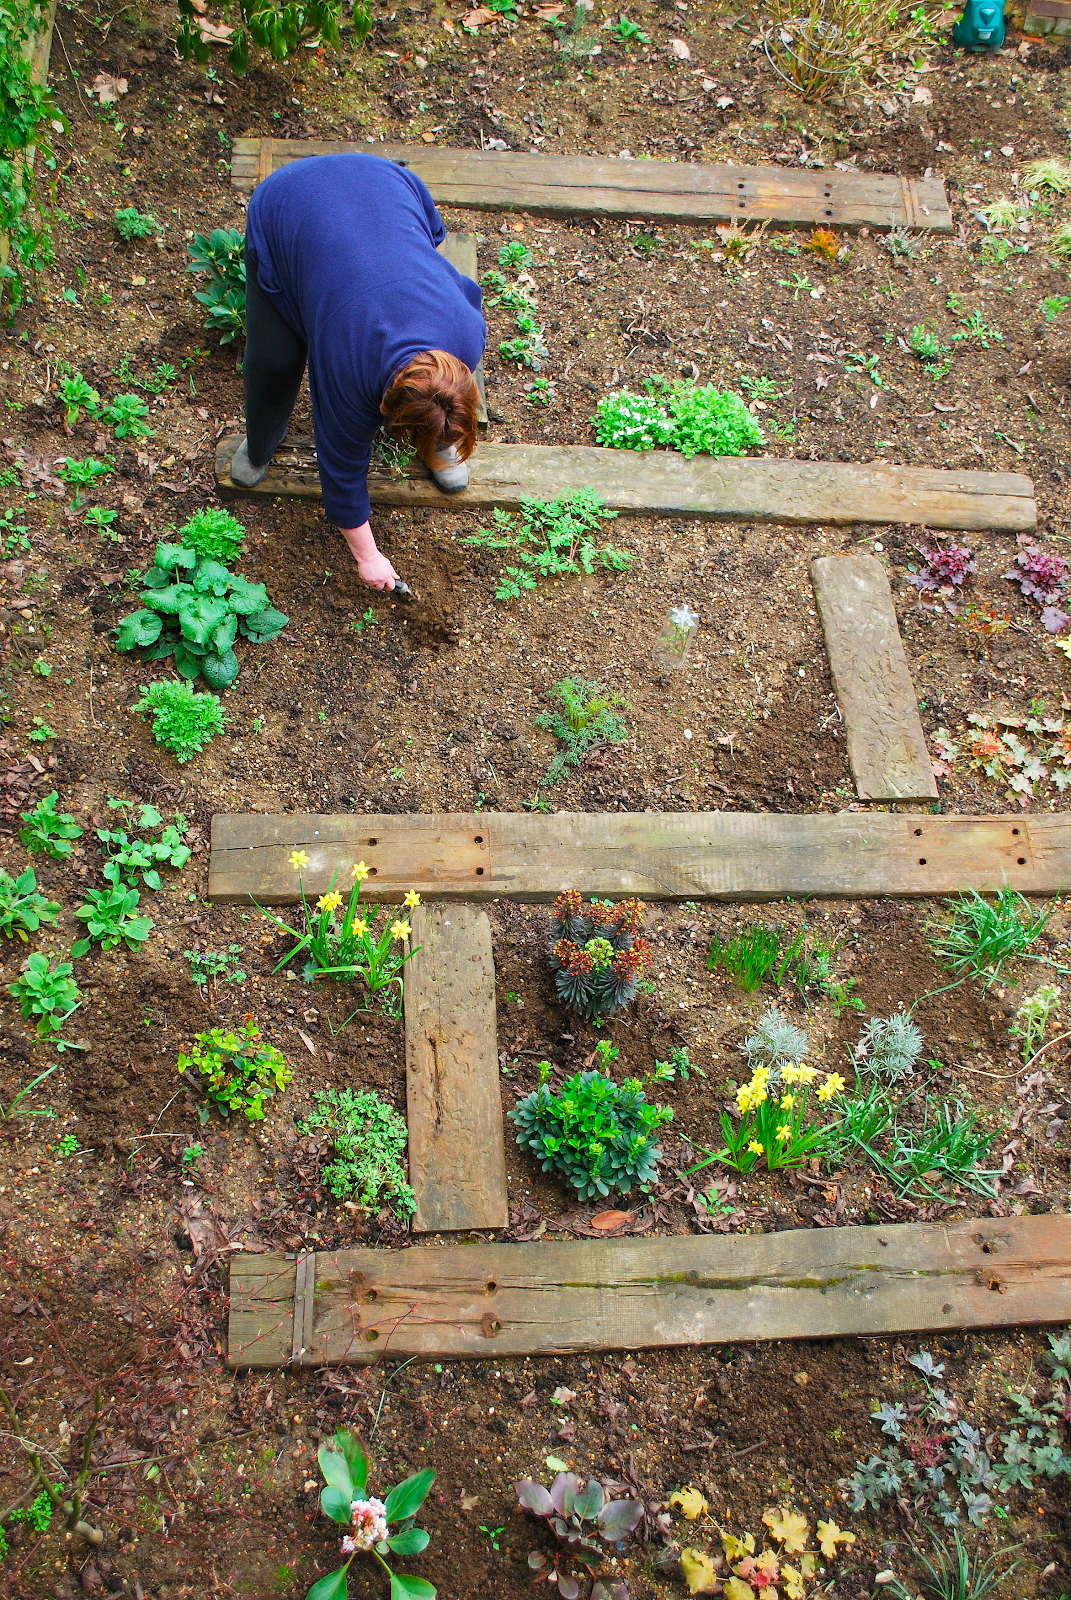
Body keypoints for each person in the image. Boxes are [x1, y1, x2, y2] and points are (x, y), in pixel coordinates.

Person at [232, 152, 486, 591]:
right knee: (274, 358)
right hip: (290, 206)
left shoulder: (466, 333)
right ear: (385, 406)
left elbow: (447, 272)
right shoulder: (348, 372)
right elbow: (341, 466)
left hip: (389, 188)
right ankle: (261, 443)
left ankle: (437, 445)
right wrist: (367, 556)